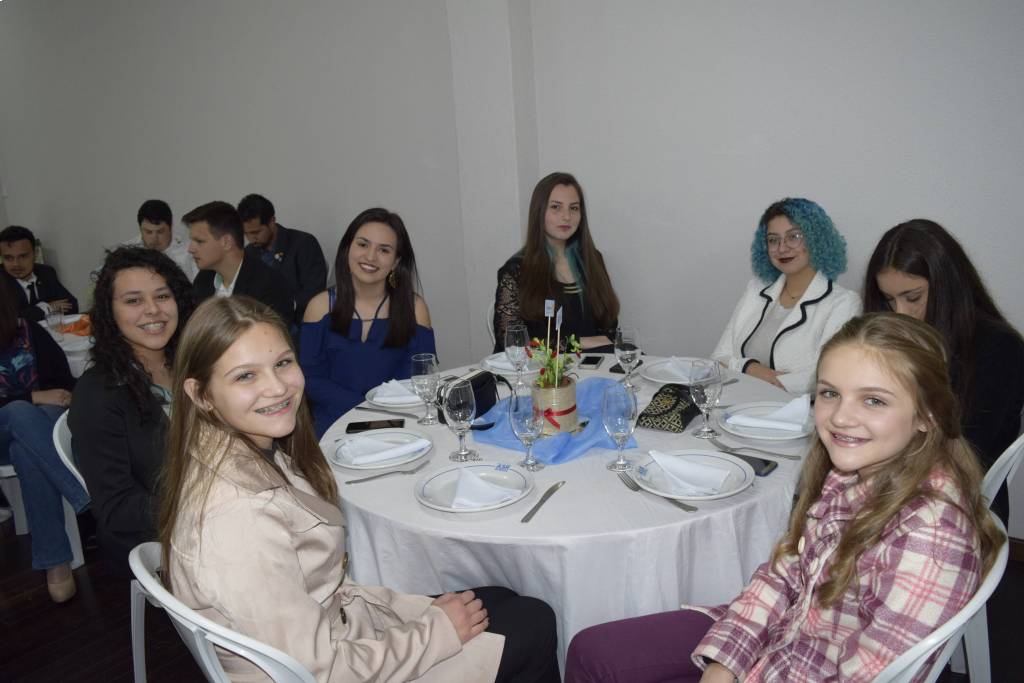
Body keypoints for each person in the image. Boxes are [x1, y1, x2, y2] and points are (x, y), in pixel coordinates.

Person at [565, 313, 1005, 683]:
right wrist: (724, 663)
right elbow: (785, 575)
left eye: (873, 400)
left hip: (802, 666)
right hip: (787, 636)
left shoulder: (930, 536)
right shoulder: (853, 472)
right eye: (830, 393)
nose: (841, 417)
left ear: (928, 414)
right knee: (591, 650)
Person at [160, 296, 559, 682]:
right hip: (333, 666)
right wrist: (436, 631)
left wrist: (422, 615)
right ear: (201, 395)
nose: (277, 387)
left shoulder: (244, 452)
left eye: (282, 363)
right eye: (245, 376)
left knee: (503, 598)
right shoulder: (237, 517)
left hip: (342, 630)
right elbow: (316, 671)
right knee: (535, 621)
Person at [863, 218, 1024, 522]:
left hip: (959, 499)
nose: (901, 313)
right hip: (894, 481)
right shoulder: (900, 337)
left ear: (947, 286)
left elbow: (968, 450)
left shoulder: (1000, 347)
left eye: (913, 298)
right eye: (889, 300)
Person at [69, 247, 196, 576]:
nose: (153, 310)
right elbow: (116, 508)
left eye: (162, 296)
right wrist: (207, 503)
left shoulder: (192, 365)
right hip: (161, 536)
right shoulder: (98, 393)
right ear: (110, 313)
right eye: (133, 300)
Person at [300, 208, 435, 436]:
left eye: (384, 250)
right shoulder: (319, 307)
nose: (370, 257)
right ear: (347, 249)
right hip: (335, 423)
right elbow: (310, 379)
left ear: (396, 261)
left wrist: (381, 411)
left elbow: (421, 374)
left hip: (397, 423)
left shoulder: (414, 308)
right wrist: (363, 407)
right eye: (363, 244)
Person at [711, 198, 860, 394]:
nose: (782, 248)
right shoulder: (755, 290)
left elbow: (825, 377)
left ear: (816, 239)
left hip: (798, 410)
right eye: (773, 240)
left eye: (794, 237)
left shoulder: (844, 303)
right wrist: (751, 368)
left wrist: (742, 369)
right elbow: (718, 359)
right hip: (740, 403)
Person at [0, 282, 88, 602]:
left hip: (34, 435)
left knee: (26, 451)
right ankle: (85, 497)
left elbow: (64, 384)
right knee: (19, 411)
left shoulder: (29, 331)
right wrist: (33, 397)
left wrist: (54, 398)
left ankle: (56, 563)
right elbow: (32, 400)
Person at [493, 172, 620, 353]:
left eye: (574, 208)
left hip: (594, 364)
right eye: (555, 207)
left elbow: (609, 328)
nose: (567, 216)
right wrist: (576, 343)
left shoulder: (593, 260)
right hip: (537, 368)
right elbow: (511, 340)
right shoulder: (516, 270)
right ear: (539, 212)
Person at [185, 201, 294, 324]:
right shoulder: (203, 280)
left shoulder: (270, 286)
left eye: (199, 241)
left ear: (226, 242)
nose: (190, 249)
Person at [238, 193, 327, 322]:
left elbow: (315, 291)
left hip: (297, 320)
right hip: (259, 321)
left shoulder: (304, 243)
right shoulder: (249, 252)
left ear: (272, 222)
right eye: (246, 234)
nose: (251, 239)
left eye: (256, 232)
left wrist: (285, 305)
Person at [1, 225, 78, 322]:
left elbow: (72, 305)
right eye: (8, 258)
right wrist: (47, 307)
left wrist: (31, 313)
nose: (16, 264)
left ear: (36, 253)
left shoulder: (46, 272)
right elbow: (8, 321)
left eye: (23, 256)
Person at [124, 199, 199, 281]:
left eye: (160, 232)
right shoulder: (127, 252)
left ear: (170, 228)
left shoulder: (190, 252)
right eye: (148, 232)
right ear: (140, 229)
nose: (154, 238)